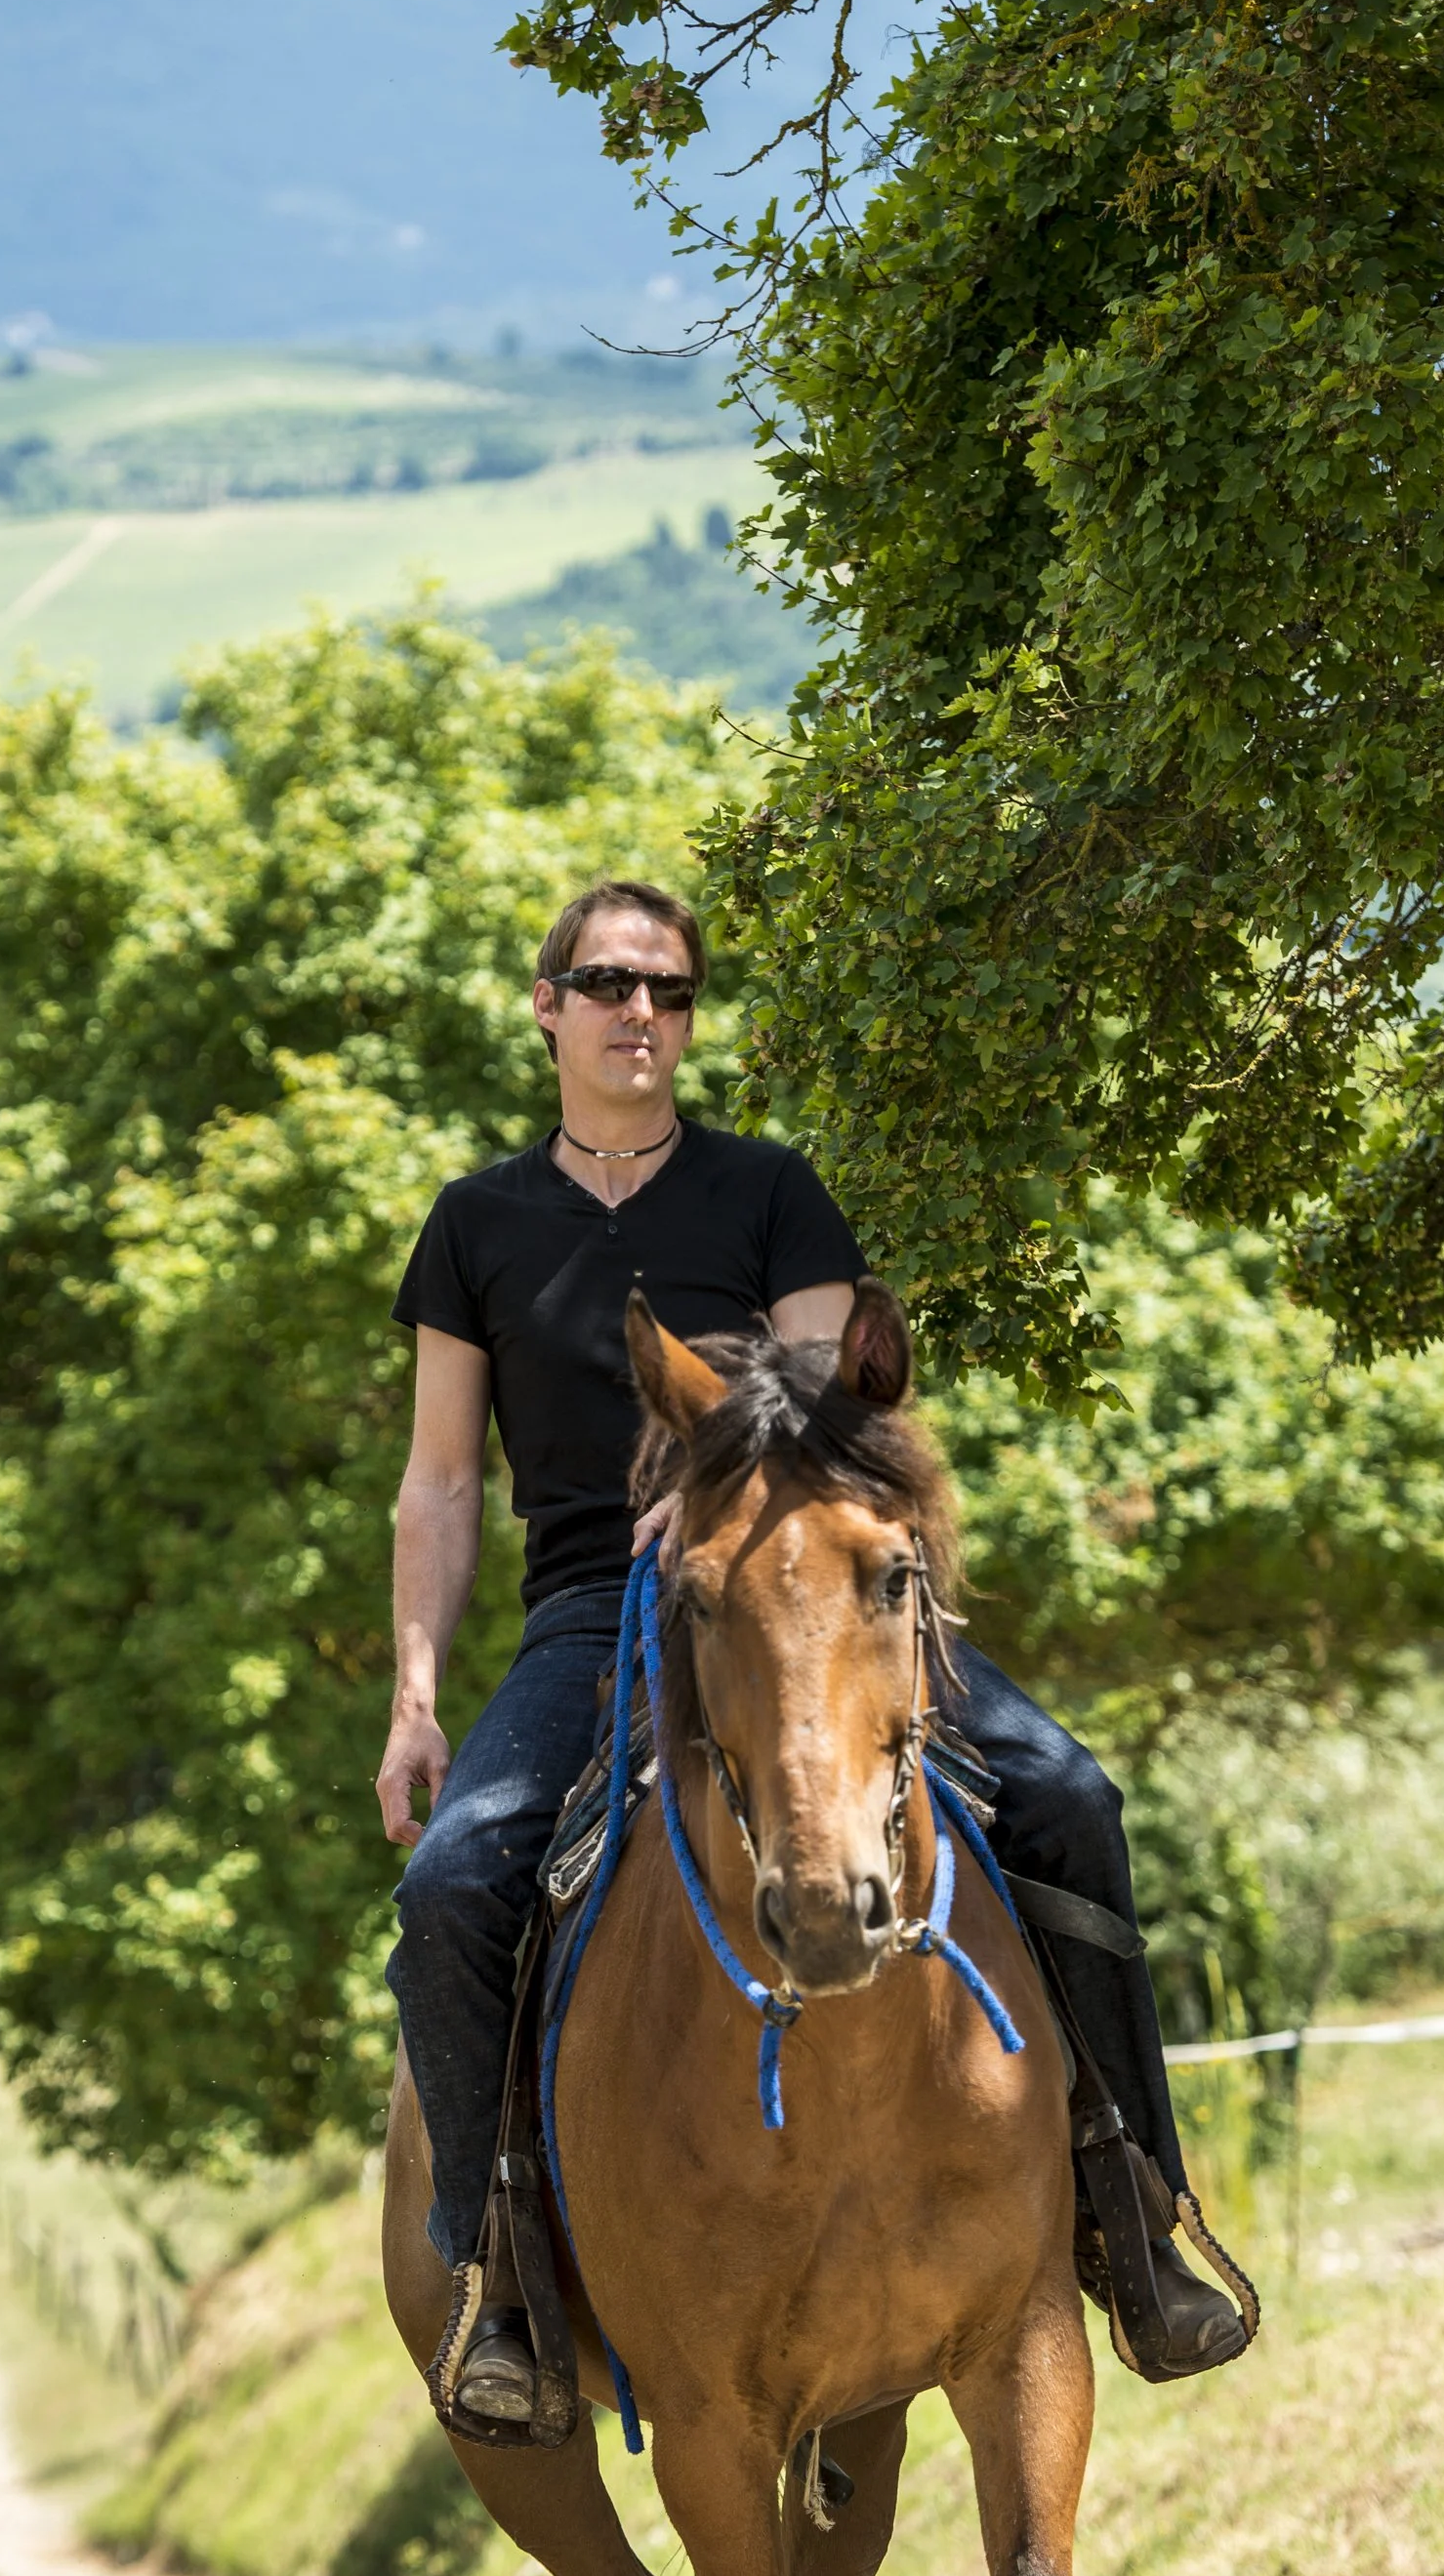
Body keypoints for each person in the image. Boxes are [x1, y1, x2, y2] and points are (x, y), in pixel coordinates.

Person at [376, 878, 1248, 2422]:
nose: (638, 1011)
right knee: (452, 1885)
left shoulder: (769, 1191)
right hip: (590, 1614)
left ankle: (1132, 2211)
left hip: (805, 1596)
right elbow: (442, 1479)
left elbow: (825, 1403)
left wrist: (718, 1504)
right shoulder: (476, 1225)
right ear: (545, 1006)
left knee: (1070, 1799)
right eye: (603, 983)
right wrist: (416, 1699)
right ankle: (497, 2282)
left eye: (668, 990)